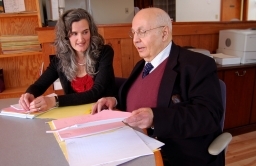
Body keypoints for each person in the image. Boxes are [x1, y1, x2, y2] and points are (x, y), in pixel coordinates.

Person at [92, 7, 225, 166]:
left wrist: (155, 117)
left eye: (142, 32)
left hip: (174, 155)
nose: (135, 39)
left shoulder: (197, 65)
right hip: (134, 147)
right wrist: (114, 100)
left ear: (164, 33)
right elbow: (135, 95)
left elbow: (208, 115)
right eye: (133, 33)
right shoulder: (141, 65)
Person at [19, 8, 115, 112]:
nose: (81, 39)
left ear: (91, 32)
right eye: (74, 33)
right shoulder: (60, 60)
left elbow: (96, 93)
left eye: (85, 32)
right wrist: (29, 93)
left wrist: (55, 101)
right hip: (74, 115)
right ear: (65, 36)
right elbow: (40, 85)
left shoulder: (105, 52)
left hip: (103, 113)